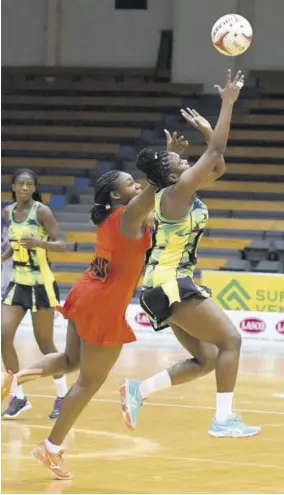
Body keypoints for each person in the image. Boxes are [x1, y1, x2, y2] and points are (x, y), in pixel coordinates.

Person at [1, 132, 189, 480]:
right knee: (88, 383)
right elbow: (156, 186)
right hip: (102, 303)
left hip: (86, 292)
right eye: (129, 183)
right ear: (116, 194)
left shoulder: (108, 216)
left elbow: (157, 190)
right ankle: (51, 448)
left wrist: (168, 162)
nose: (135, 186)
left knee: (71, 361)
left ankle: (16, 379)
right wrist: (167, 158)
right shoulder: (128, 216)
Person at [120, 70, 261, 438]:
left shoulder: (181, 190)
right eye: (176, 162)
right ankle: (223, 420)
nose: (183, 160)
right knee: (231, 341)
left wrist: (207, 134)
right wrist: (227, 104)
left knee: (207, 359)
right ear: (167, 175)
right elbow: (213, 153)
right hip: (170, 283)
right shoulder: (176, 192)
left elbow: (219, 164)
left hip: (162, 283)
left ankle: (139, 390)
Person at [1, 169, 68, 419]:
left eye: (30, 184)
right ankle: (18, 397)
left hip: (41, 283)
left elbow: (61, 244)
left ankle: (62, 395)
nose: (25, 188)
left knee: (45, 343)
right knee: (4, 336)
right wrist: (3, 257)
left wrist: (40, 243)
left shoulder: (42, 211)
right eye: (21, 184)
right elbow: (13, 246)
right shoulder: (7, 212)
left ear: (34, 187)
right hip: (18, 282)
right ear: (14, 187)